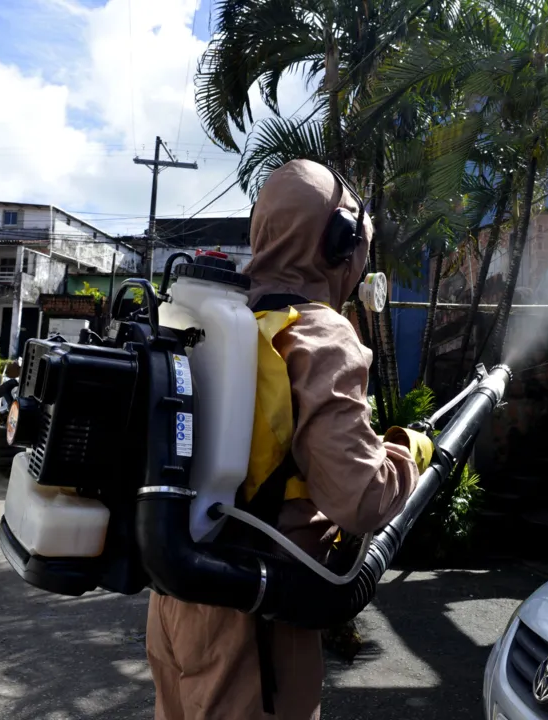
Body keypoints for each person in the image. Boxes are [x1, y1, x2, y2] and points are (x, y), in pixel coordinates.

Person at [145, 159, 433, 720]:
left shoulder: (215, 316)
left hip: (176, 593)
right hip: (256, 612)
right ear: (337, 242)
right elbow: (361, 498)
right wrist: (407, 453)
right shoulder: (318, 333)